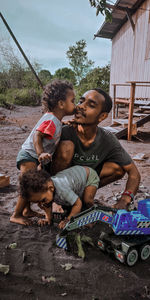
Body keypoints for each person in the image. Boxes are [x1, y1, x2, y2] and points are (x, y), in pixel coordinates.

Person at [51, 88, 141, 210]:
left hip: (80, 182)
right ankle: (57, 200)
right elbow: (34, 160)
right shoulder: (62, 131)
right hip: (56, 184)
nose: (81, 106)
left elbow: (134, 172)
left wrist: (125, 200)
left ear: (102, 116)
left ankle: (82, 197)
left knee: (118, 169)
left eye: (91, 105)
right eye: (80, 101)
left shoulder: (107, 139)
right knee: (66, 147)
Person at [15, 79, 75, 219]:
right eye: (73, 101)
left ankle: (27, 211)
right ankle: (16, 214)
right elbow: (38, 135)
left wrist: (63, 123)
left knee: (29, 184)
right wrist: (40, 153)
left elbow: (51, 128)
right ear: (61, 104)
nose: (75, 104)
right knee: (28, 187)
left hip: (31, 156)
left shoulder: (55, 120)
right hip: (29, 156)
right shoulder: (52, 120)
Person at [10, 166, 100, 228]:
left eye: (42, 200)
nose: (41, 204)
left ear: (51, 188)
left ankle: (94, 213)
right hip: (74, 178)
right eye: (38, 202)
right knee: (70, 204)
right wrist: (48, 219)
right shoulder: (48, 191)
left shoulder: (62, 190)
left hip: (89, 176)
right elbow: (47, 204)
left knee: (87, 201)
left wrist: (68, 220)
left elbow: (77, 203)